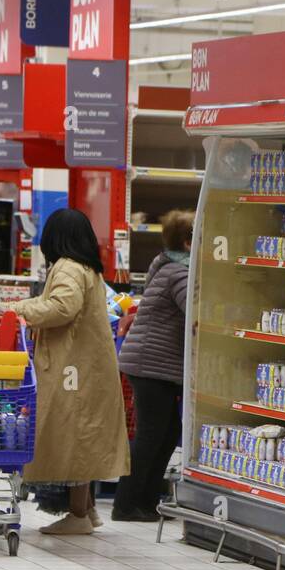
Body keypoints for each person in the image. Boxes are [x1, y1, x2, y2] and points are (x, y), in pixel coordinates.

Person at [13, 209, 130, 534]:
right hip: (87, 367)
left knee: (75, 436)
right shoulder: (86, 268)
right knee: (85, 435)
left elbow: (62, 307)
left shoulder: (67, 268)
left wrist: (18, 309)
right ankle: (87, 510)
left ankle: (78, 515)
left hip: (74, 369)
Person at [113, 209, 193, 521]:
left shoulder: (165, 265)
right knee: (151, 435)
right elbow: (194, 310)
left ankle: (145, 501)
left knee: (166, 431)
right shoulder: (180, 274)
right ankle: (126, 504)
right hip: (151, 364)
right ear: (188, 242)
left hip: (151, 361)